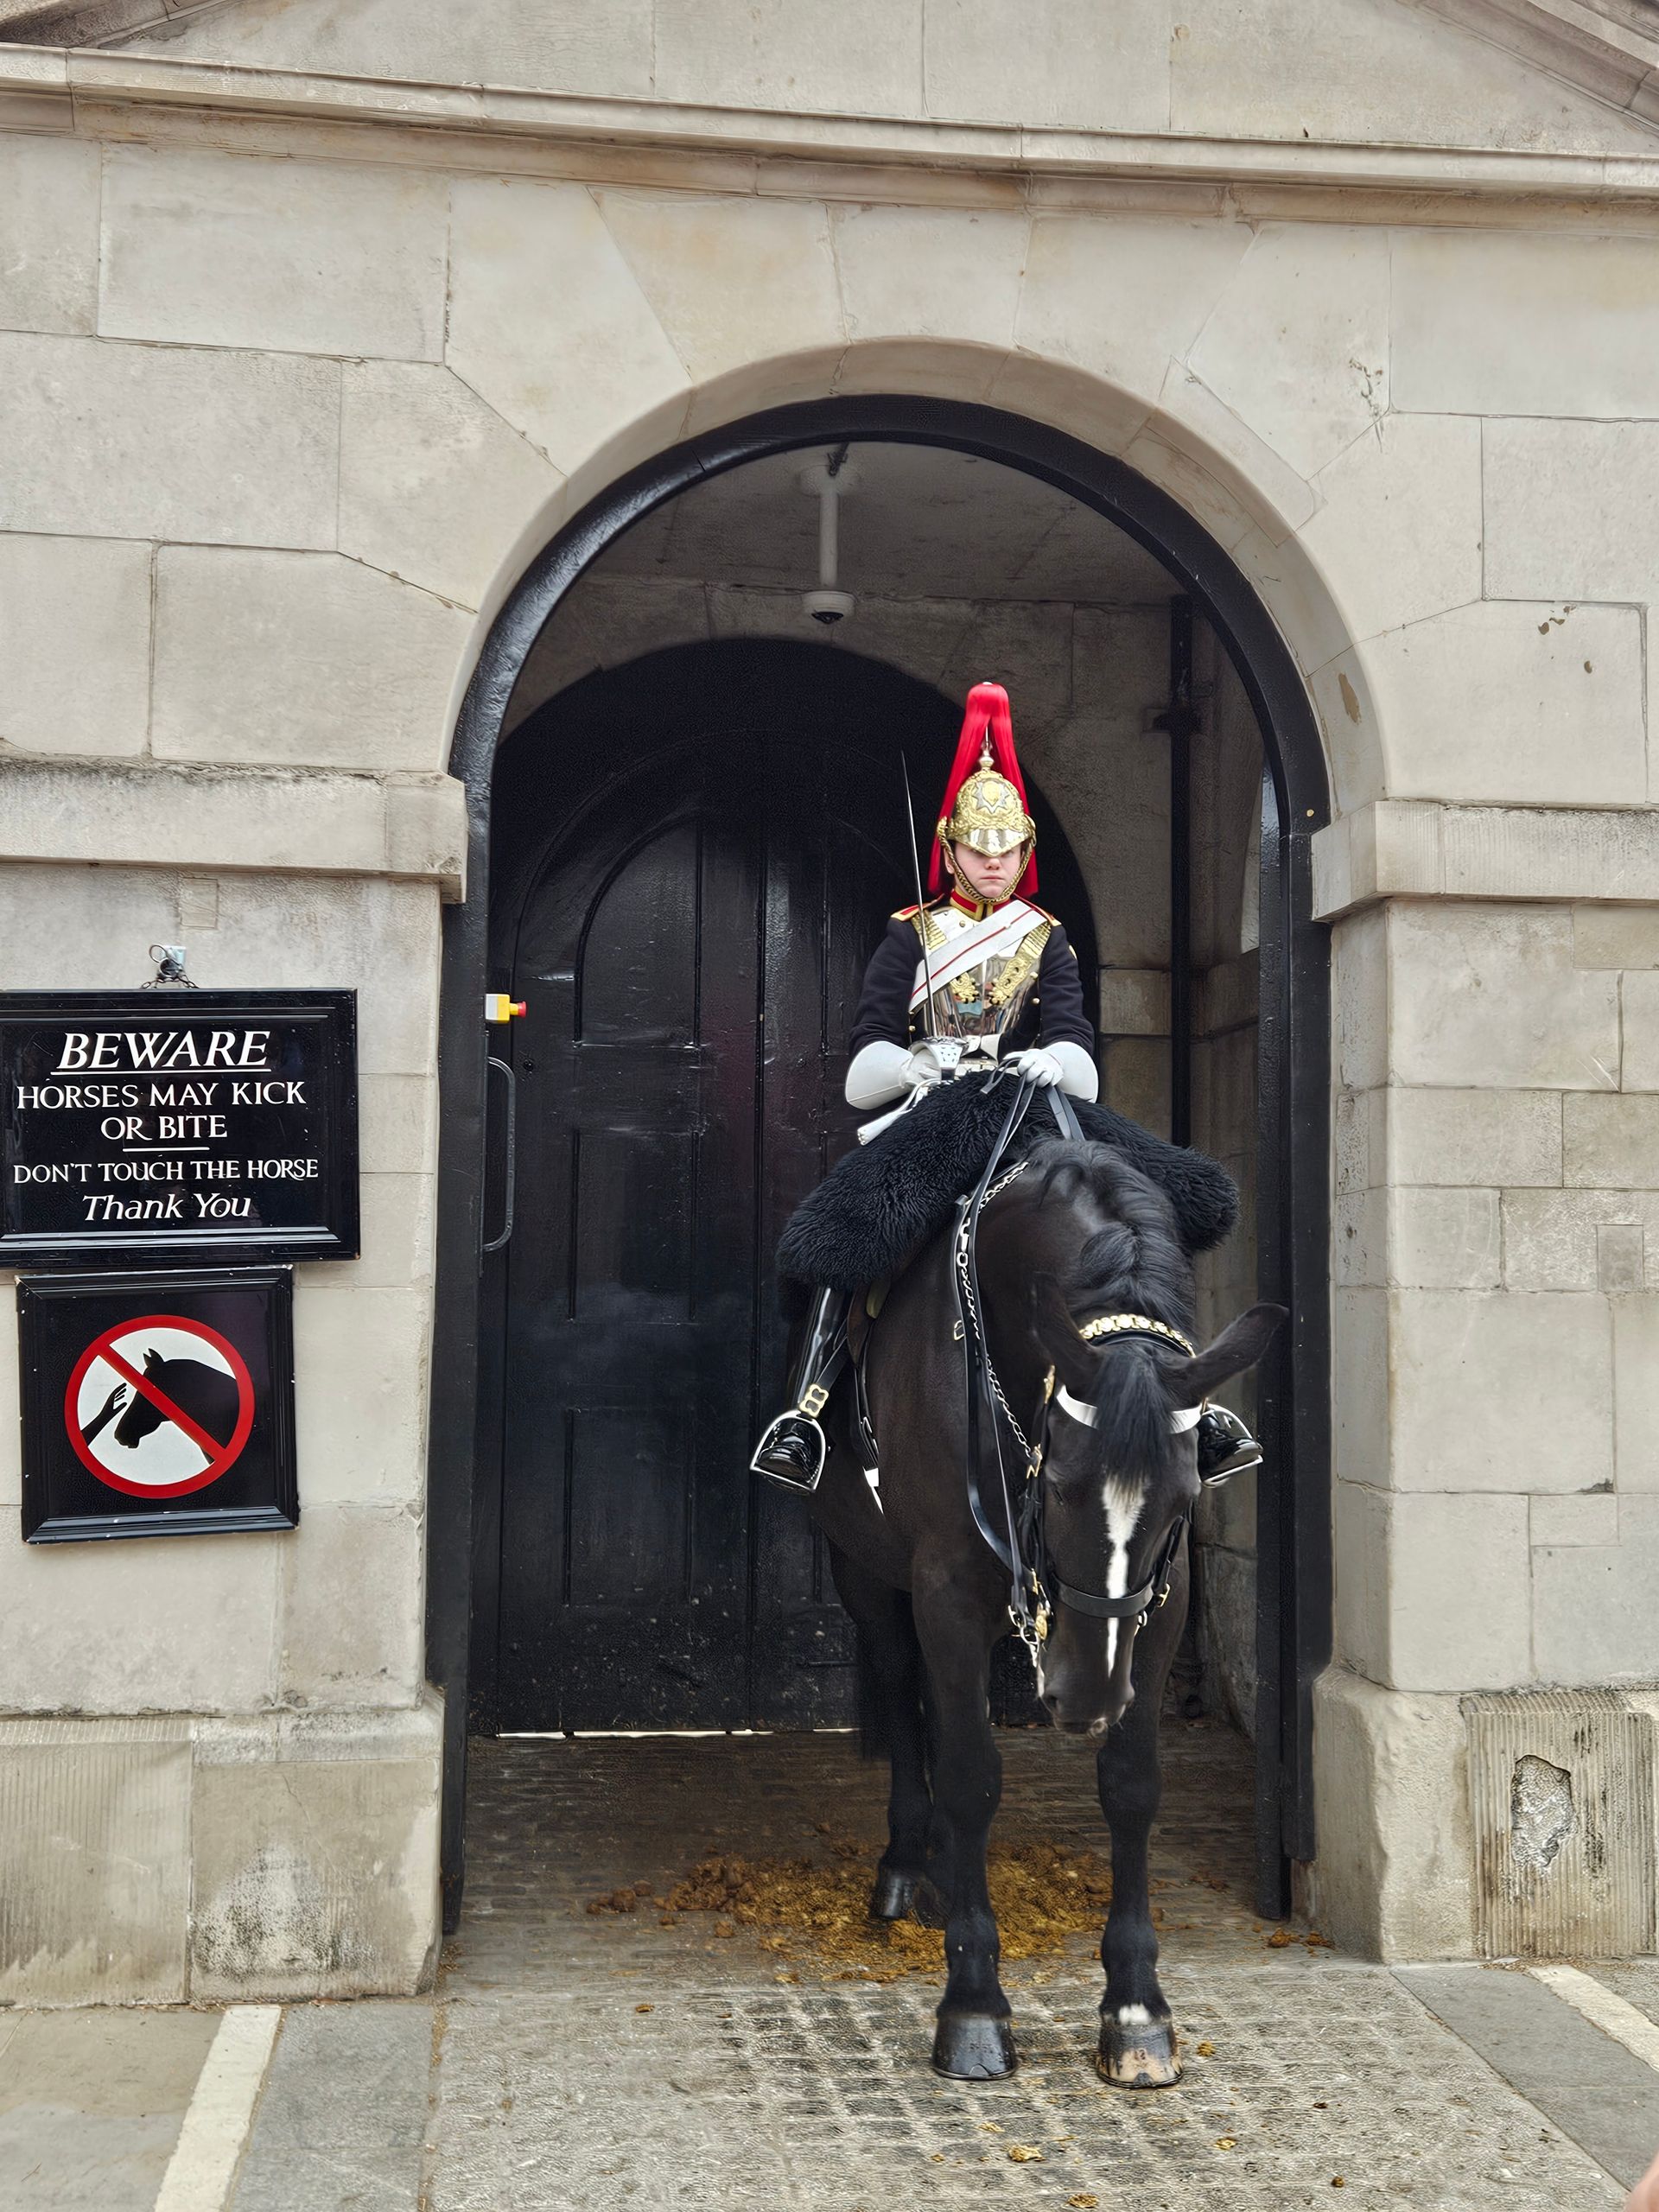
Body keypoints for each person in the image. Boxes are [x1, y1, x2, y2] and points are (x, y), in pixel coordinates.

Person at [752, 680, 1259, 1493]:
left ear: (1024, 853)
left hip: (1034, 1111)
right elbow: (862, 1065)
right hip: (939, 1114)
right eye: (977, 849)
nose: (993, 863)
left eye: (1007, 850)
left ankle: (1191, 1409)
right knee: (842, 1228)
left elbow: (1076, 1045)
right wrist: (914, 1064)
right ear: (951, 849)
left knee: (1168, 1204)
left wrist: (1052, 1061)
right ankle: (808, 1413)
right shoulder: (910, 935)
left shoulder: (1046, 940)